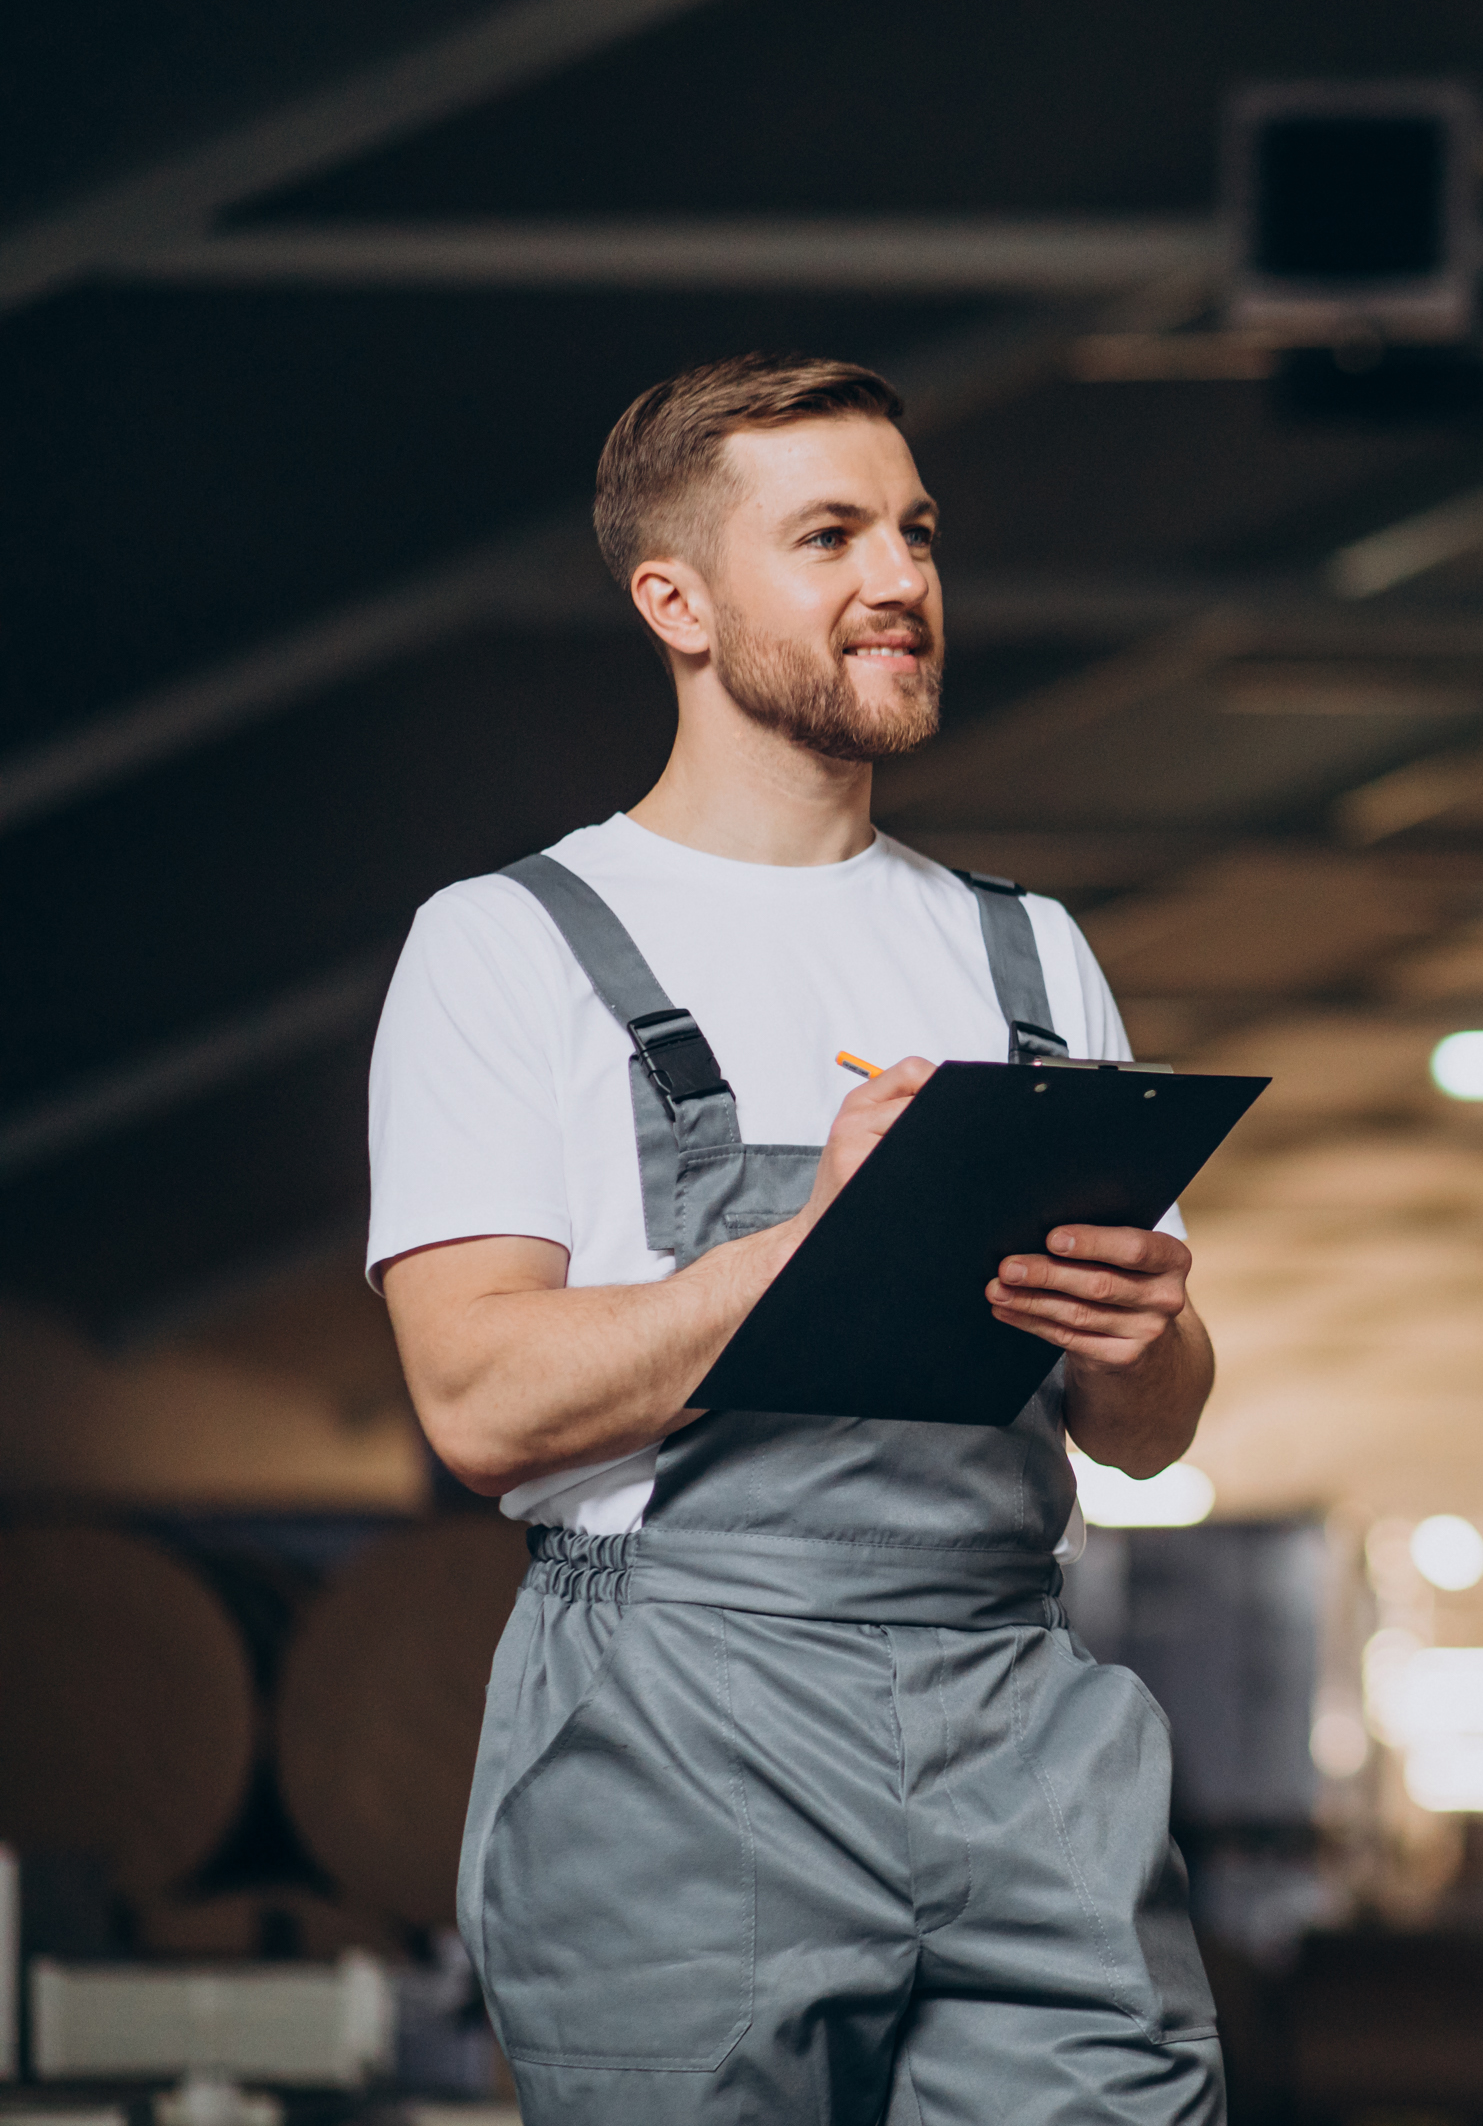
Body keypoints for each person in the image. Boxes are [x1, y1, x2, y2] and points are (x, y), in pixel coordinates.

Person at [369, 352, 1222, 2124]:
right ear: (671, 600)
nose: (899, 580)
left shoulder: (1030, 954)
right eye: (827, 535)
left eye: (913, 532)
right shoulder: (511, 944)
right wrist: (826, 1237)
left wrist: (1151, 1338)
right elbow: (477, 1401)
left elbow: (1145, 1434)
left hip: (1011, 1694)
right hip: (678, 1722)